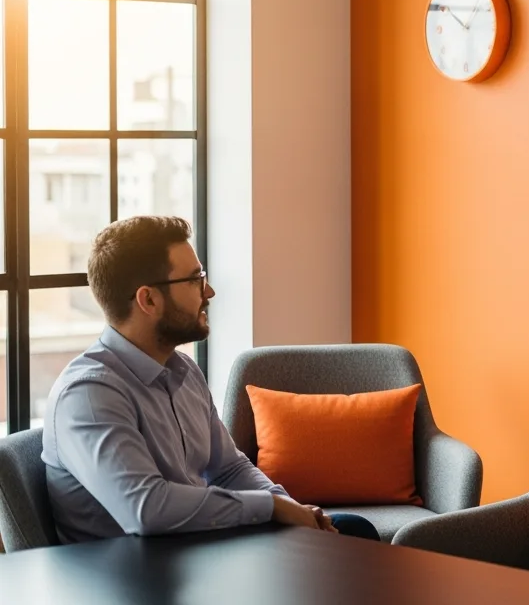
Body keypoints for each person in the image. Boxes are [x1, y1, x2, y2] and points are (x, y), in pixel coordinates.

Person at [41, 216, 380, 544]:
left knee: (352, 532)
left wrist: (288, 506)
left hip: (197, 548)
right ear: (148, 299)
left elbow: (228, 469)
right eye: (194, 280)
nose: (210, 291)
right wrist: (271, 507)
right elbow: (146, 509)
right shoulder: (88, 394)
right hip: (135, 577)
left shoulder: (183, 370)